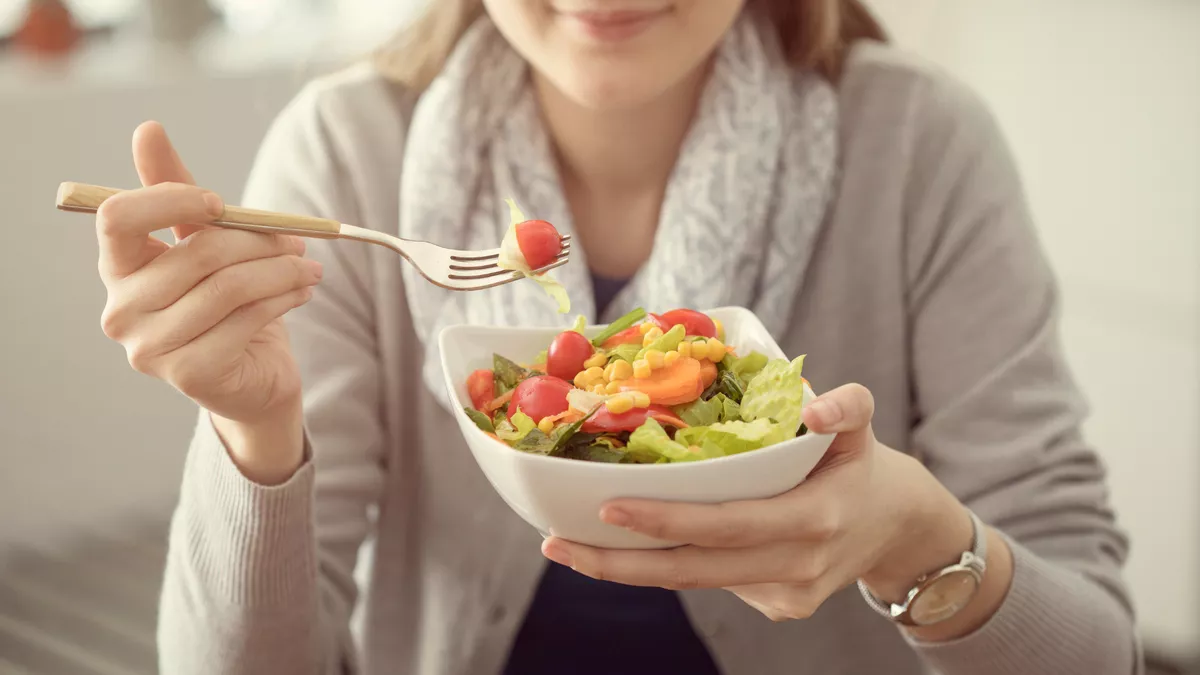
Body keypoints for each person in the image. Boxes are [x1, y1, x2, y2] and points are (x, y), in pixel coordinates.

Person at [90, 1, 1141, 673]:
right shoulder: (346, 150)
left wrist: (914, 536)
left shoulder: (921, 144)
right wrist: (255, 434)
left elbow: (1099, 652)